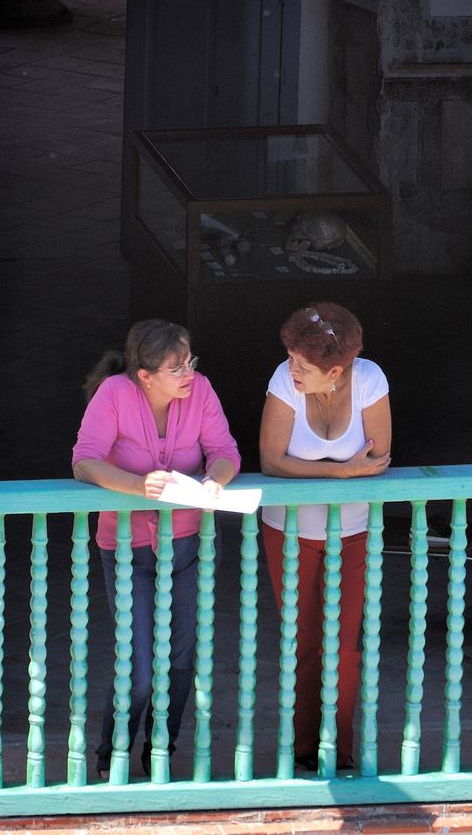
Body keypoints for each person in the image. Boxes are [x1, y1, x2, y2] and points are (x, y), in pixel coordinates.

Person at [72, 320, 240, 777]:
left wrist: (214, 479)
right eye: (175, 367)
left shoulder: (200, 391)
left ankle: (161, 750)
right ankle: (113, 754)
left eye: (190, 362)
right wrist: (137, 486)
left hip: (192, 545)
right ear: (144, 375)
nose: (188, 373)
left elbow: (225, 449)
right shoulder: (114, 394)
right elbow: (85, 462)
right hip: (128, 548)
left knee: (182, 660)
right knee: (140, 669)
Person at [258, 302, 391, 771]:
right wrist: (342, 473)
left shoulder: (370, 380)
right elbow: (271, 461)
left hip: (354, 533)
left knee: (344, 645)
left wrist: (333, 472)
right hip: (288, 532)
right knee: (303, 640)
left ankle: (340, 748)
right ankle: (302, 748)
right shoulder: (283, 380)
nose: (290, 368)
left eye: (302, 364)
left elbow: (377, 462)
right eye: (290, 356)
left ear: (335, 370)